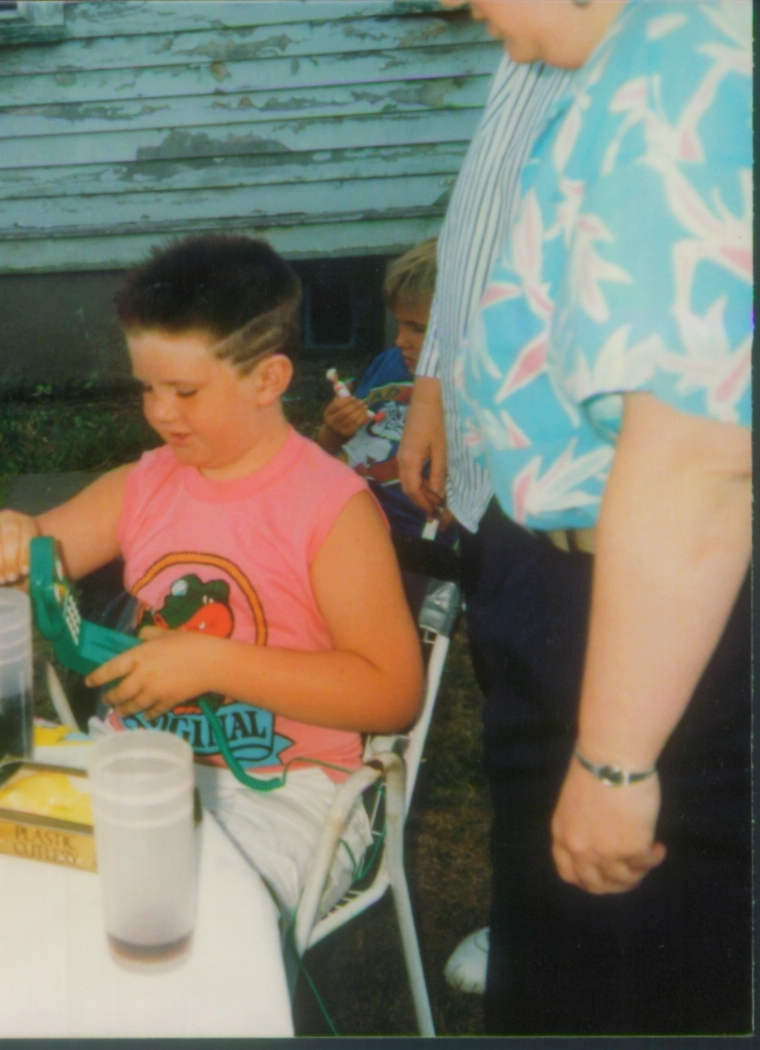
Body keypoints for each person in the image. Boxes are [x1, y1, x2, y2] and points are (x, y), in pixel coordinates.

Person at [0, 234, 423, 917]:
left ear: (268, 380)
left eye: (184, 391)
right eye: (147, 387)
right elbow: (17, 563)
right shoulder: (144, 485)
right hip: (133, 763)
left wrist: (209, 661)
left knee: (185, 906)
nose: (160, 412)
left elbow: (392, 693)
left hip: (284, 791)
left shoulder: (331, 509)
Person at [446, 0, 751, 1034]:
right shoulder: (628, 65)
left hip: (647, 619)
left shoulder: (677, 68)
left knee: (616, 988)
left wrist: (615, 760)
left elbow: (701, 459)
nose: (455, 5)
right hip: (571, 581)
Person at [393, 45, 576, 1003]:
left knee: (582, 720)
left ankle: (571, 940)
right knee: (518, 715)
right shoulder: (523, 50)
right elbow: (476, 229)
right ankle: (533, 921)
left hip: (578, 469)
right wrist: (432, 389)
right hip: (492, 464)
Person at [316, 237, 443, 540]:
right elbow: (332, 451)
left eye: (418, 328)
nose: (400, 341)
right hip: (341, 510)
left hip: (408, 534)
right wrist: (334, 429)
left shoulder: (473, 385)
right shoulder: (389, 363)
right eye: (399, 324)